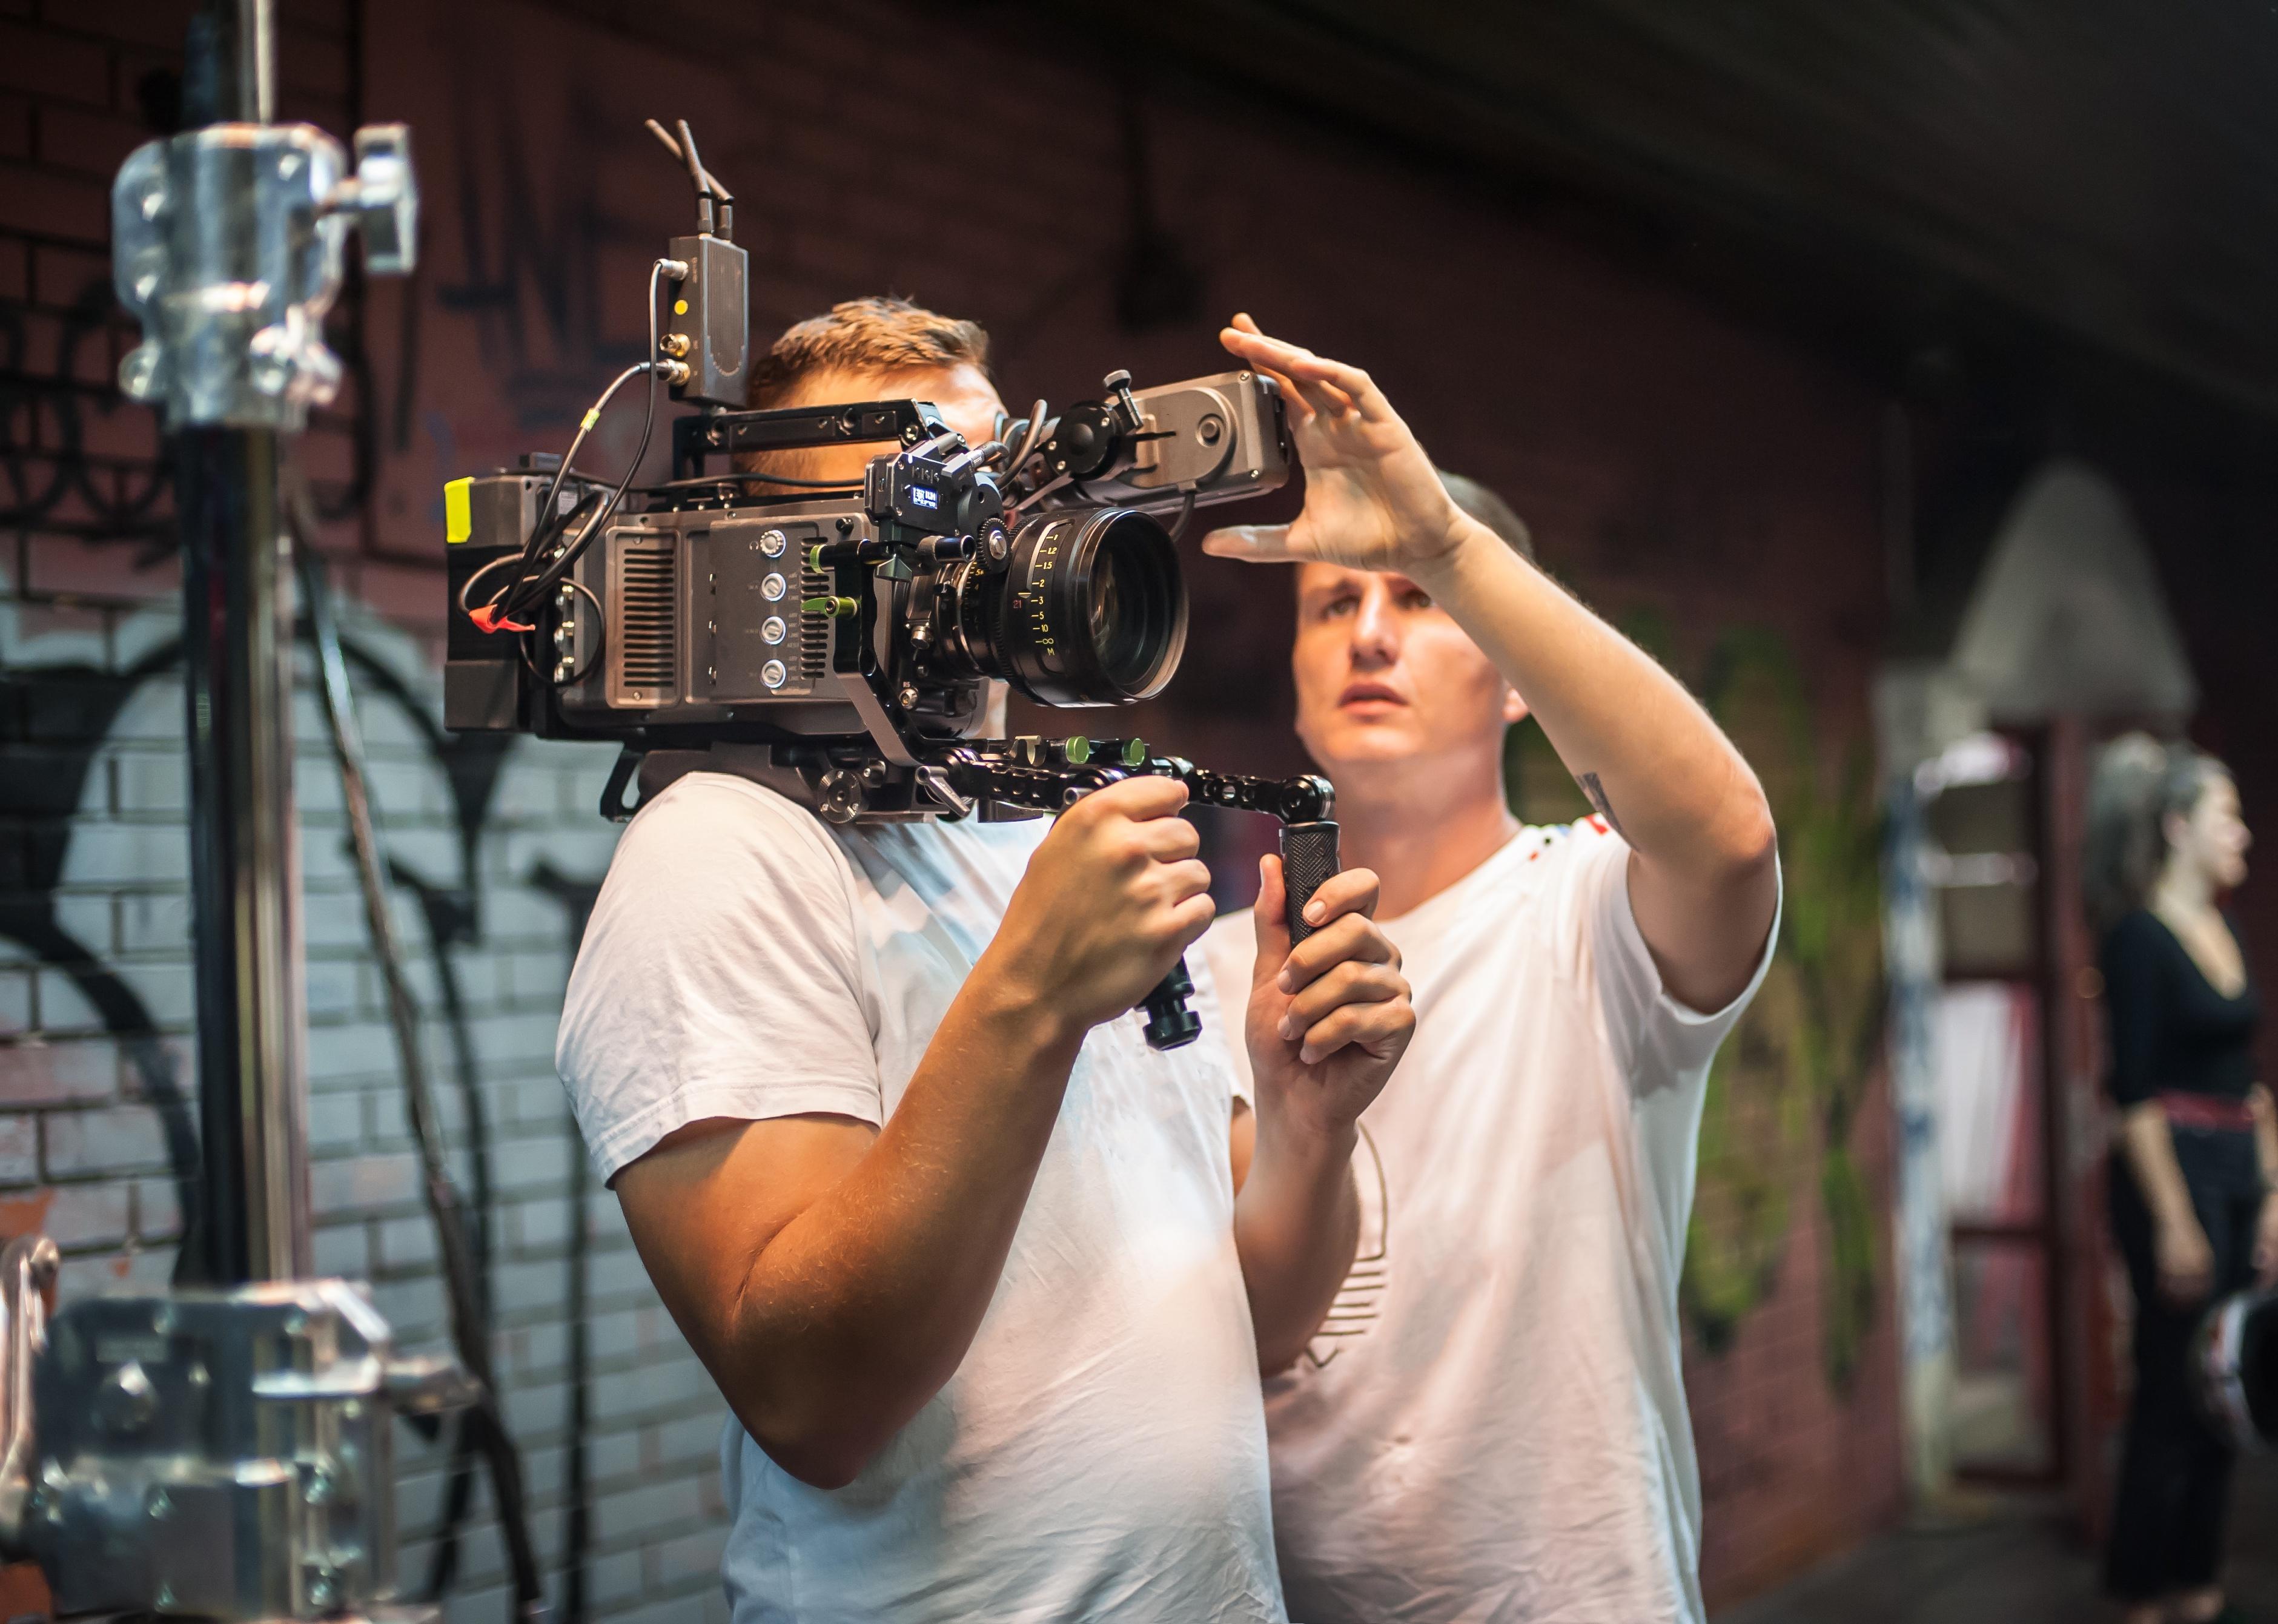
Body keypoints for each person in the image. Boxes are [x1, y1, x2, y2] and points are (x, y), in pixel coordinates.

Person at [555, 299, 1416, 1623]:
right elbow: (813, 1402)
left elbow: (1258, 1324)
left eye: (1001, 505)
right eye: (924, 519)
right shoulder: (720, 853)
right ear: (776, 565)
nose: (987, 557)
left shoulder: (1041, 837)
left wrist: (1306, 1124)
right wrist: (1030, 1000)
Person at [1194, 316, 1781, 1624]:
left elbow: (1731, 839)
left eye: (1420, 602)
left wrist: (1449, 546)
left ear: (1517, 677)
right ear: (1292, 677)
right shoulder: (1215, 966)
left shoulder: (1584, 911)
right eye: (1334, 600)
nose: (1371, 634)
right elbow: (1235, 1324)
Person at [2084, 734, 2278, 1624]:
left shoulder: (2225, 927)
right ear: (2175, 826)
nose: (2240, 831)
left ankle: (2197, 1585)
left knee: (2226, 1391)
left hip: (2240, 1173)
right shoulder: (2135, 938)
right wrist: (2173, 1219)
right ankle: (2137, 1591)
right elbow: (2130, 1097)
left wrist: (2272, 1192)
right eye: (2224, 814)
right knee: (2169, 1393)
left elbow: (2248, 1083)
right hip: (2174, 1182)